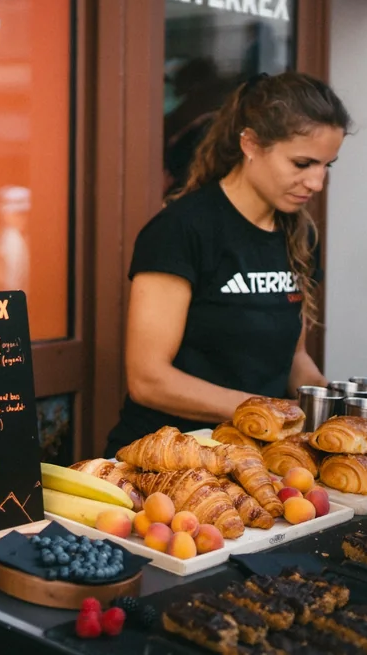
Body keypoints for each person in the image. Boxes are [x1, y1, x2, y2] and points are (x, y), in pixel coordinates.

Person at [104, 72, 350, 454]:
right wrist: (270, 411)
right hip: (167, 459)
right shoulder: (182, 230)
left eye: (327, 166)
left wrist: (329, 409)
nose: (317, 183)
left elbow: (294, 357)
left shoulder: (301, 236)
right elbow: (148, 379)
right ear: (251, 144)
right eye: (302, 163)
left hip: (254, 458)